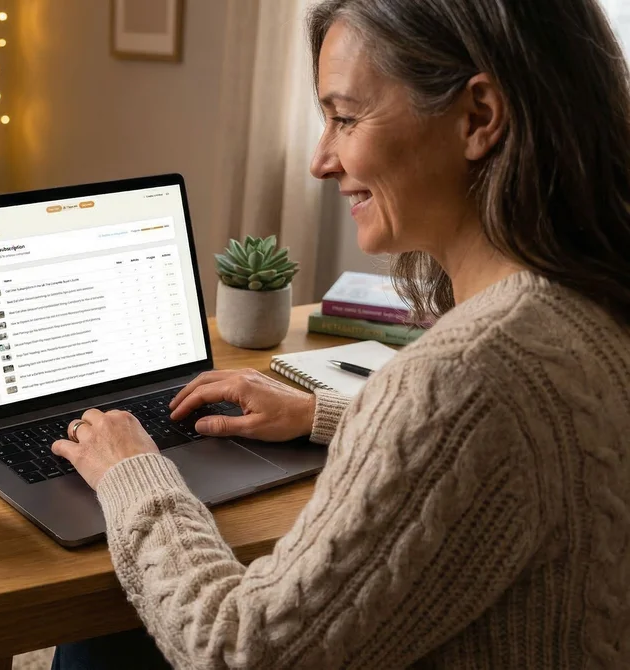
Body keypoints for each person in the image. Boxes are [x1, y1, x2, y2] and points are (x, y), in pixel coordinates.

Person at [50, 0, 630, 667]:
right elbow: (517, 434)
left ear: (478, 118)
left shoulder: (464, 376)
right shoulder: (592, 295)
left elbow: (240, 652)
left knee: (100, 635)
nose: (321, 161)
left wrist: (133, 474)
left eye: (346, 117)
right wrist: (325, 415)